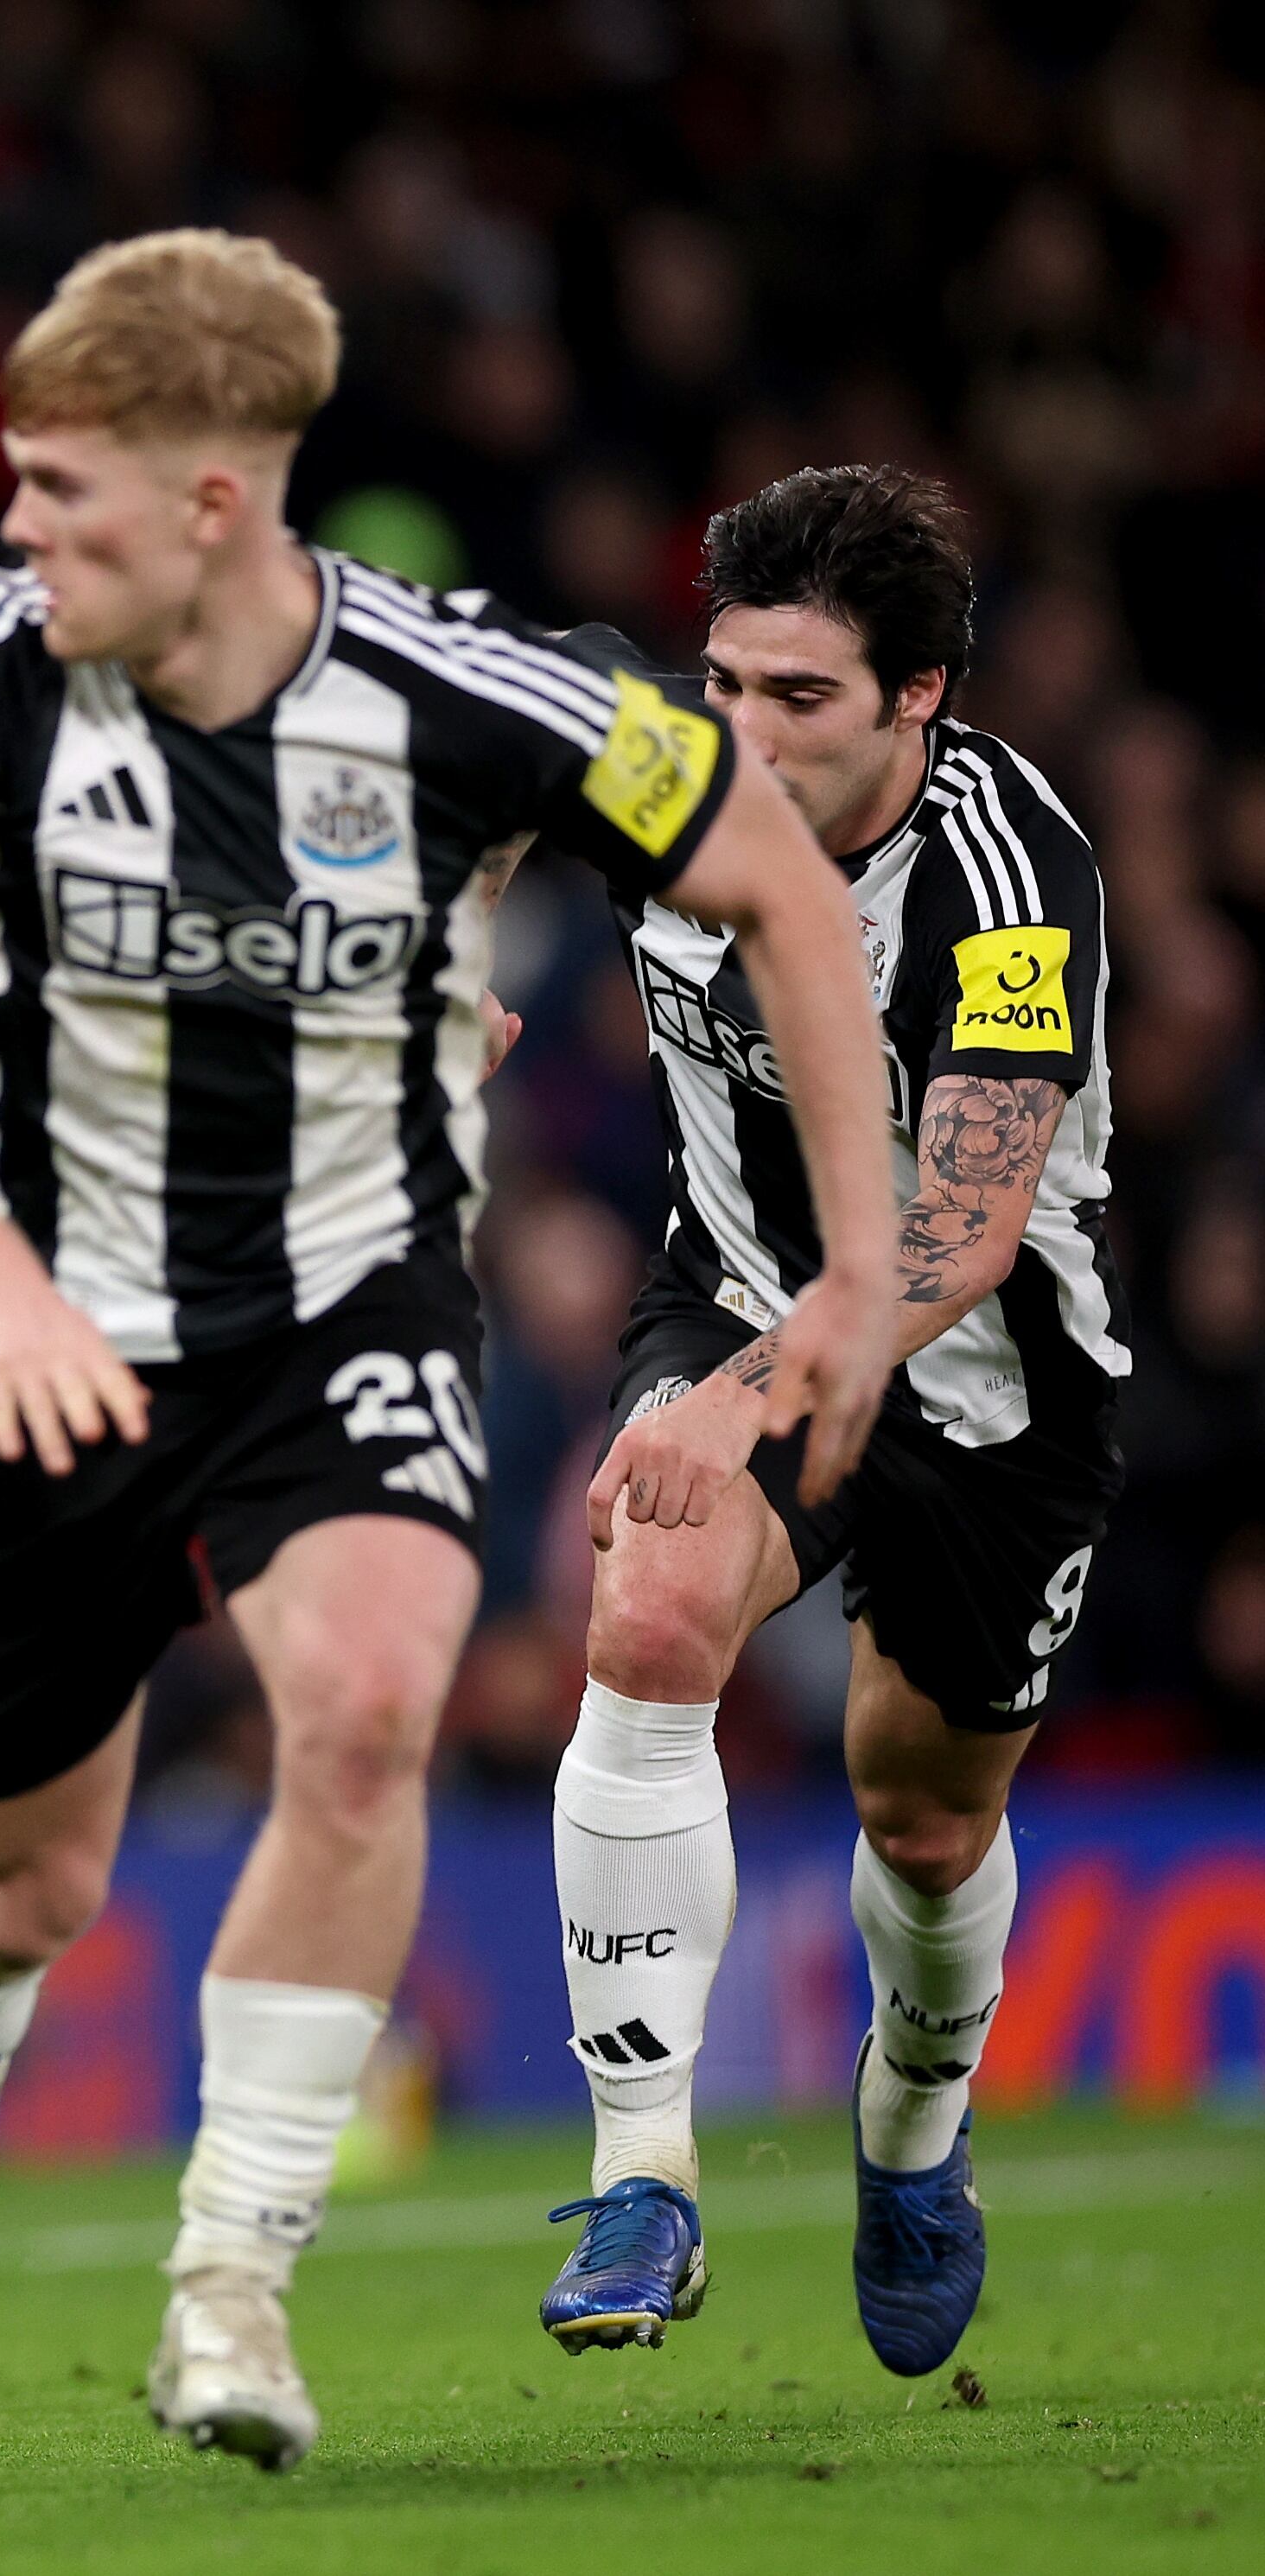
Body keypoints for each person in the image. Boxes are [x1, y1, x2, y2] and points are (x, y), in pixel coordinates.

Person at [0, 231, 905, 2473]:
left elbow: (775, 879)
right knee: (17, 1884)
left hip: (348, 1304)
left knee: (370, 1715)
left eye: (61, 487)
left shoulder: (457, 688)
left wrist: (855, 1272)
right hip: (61, 1329)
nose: (13, 525)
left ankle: (232, 2278)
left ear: (212, 502)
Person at [536, 467, 1117, 2379]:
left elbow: (963, 1227)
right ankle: (641, 2178)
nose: (749, 735)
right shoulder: (665, 772)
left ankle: (912, 2125)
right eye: (727, 684)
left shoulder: (1003, 877)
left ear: (915, 696)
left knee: (923, 1822)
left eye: (802, 698)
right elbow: (478, 765)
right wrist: (452, 968)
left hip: (982, 1374)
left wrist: (741, 1395)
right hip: (727, 1287)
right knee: (645, 1612)